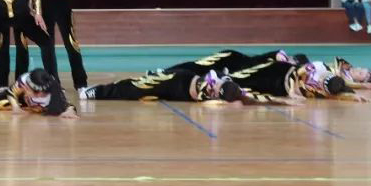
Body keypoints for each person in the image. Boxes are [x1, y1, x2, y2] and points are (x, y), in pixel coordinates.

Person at [82, 68, 274, 105]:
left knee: (144, 95)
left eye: (217, 93)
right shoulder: (214, 79)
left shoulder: (216, 96)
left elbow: (256, 98)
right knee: (137, 87)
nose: (214, 90)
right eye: (217, 87)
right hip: (178, 81)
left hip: (177, 94)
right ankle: (98, 91)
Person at [228, 59, 369, 102]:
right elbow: (295, 72)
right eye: (321, 81)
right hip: (281, 72)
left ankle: (231, 85)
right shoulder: (319, 66)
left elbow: (341, 93)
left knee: (252, 88)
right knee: (247, 77)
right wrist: (291, 92)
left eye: (322, 86)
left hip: (280, 89)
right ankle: (227, 75)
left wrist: (354, 96)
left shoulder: (329, 91)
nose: (319, 84)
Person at [0, 68, 77, 118]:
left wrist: (70, 112)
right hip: (23, 100)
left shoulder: (53, 93)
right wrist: (16, 107)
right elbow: (11, 92)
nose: (25, 88)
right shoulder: (24, 81)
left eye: (28, 88)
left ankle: (33, 108)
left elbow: (68, 105)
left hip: (35, 105)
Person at [164, 49, 309, 76]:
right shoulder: (281, 58)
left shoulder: (287, 73)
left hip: (233, 73)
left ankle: (170, 74)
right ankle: (164, 72)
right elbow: (278, 54)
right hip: (230, 60)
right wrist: (280, 55)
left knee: (197, 76)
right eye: (293, 61)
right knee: (197, 66)